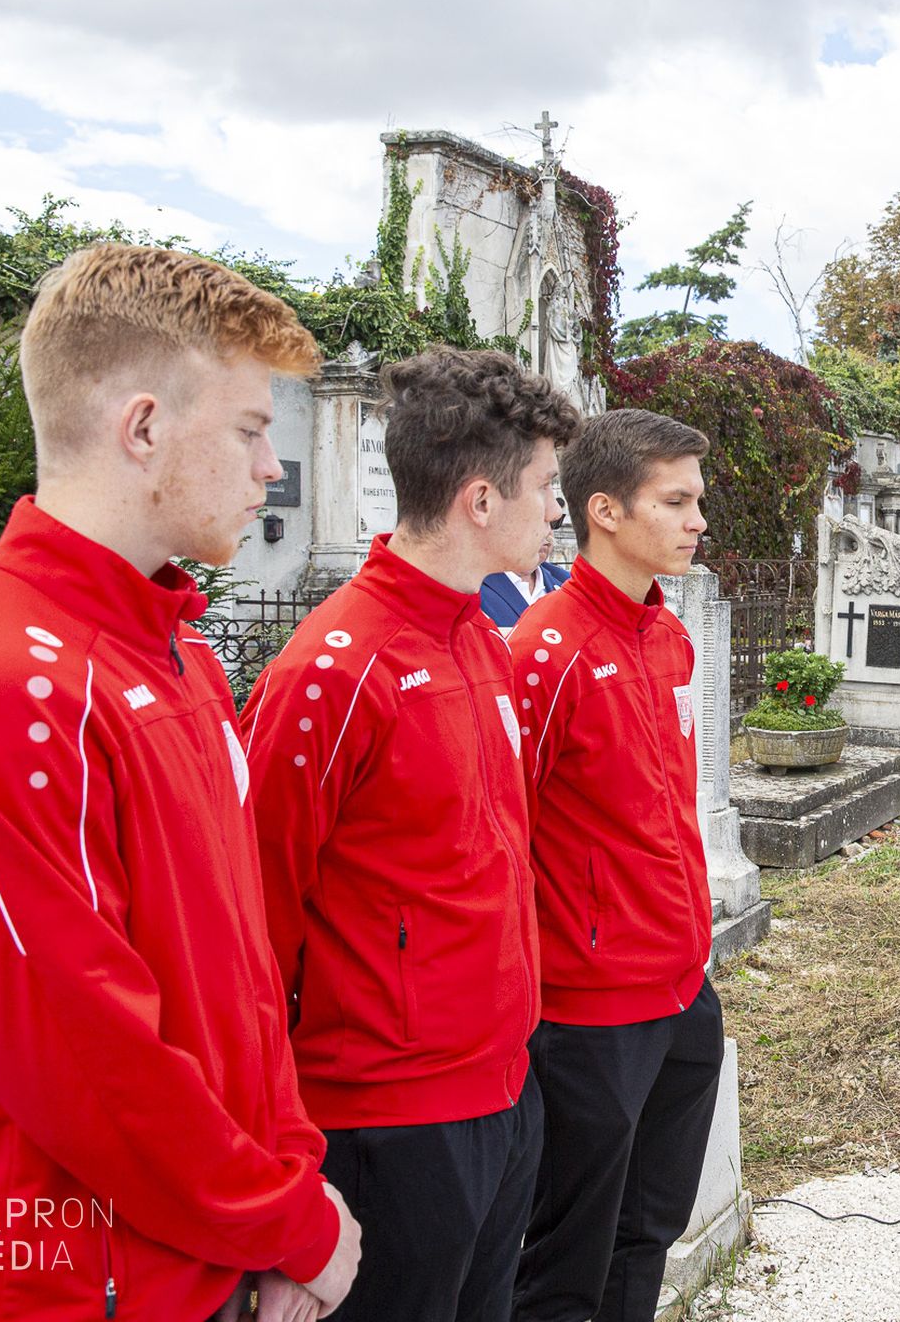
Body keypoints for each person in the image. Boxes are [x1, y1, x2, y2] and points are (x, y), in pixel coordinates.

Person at [0, 243, 360, 1321]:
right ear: (143, 429)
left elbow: (236, 979)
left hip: (197, 1261)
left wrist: (282, 1190)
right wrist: (291, 1224)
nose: (273, 467)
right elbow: (84, 1055)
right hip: (53, 1288)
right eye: (250, 429)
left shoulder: (174, 658)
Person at [241, 348, 578, 1322]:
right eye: (547, 487)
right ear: (481, 500)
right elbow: (254, 931)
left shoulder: (479, 637)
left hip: (503, 1096)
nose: (557, 510)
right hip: (390, 1123)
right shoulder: (331, 674)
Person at [509, 409, 723, 1322]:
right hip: (589, 1006)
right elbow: (505, 831)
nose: (697, 520)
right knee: (570, 1251)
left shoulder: (665, 632)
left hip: (679, 986)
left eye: (697, 500)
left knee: (650, 1228)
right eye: (674, 502)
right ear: (604, 509)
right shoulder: (543, 653)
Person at [479, 488, 570, 632]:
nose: (548, 532)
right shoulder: (472, 586)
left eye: (553, 523)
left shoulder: (565, 582)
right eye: (538, 519)